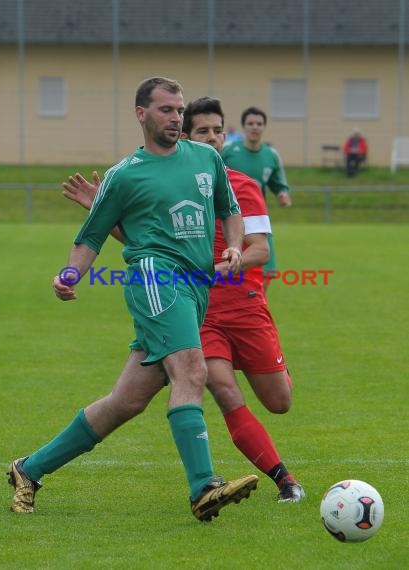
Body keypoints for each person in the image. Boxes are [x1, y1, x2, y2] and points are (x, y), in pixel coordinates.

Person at [7, 77, 259, 522]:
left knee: (126, 401)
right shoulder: (125, 175)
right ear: (141, 114)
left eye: (180, 110)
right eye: (166, 110)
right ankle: (204, 487)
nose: (176, 118)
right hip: (153, 279)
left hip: (194, 287)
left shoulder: (206, 160)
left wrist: (235, 246)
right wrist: (69, 275)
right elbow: (90, 237)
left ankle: (29, 469)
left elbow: (230, 210)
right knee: (191, 368)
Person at [62, 97, 304, 503]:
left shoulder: (241, 186)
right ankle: (277, 480)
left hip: (244, 305)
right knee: (213, 384)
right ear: (186, 139)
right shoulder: (166, 179)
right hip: (194, 309)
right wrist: (104, 212)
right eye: (202, 131)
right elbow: (149, 244)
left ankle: (30, 468)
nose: (211, 138)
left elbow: (260, 249)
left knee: (279, 401)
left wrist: (231, 258)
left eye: (217, 131)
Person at [221, 106, 291, 280]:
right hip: (230, 221)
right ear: (244, 126)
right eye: (250, 123)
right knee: (230, 275)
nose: (255, 127)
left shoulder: (271, 155)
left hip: (258, 222)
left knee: (265, 275)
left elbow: (278, 183)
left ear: (264, 127)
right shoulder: (228, 150)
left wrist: (282, 193)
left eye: (259, 123)